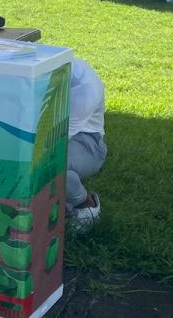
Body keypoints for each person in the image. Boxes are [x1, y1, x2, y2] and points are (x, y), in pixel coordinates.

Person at [66, 58, 106, 233]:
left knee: (49, 166)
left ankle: (85, 206)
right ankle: (62, 205)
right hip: (69, 137)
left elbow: (57, 141)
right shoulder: (66, 67)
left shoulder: (87, 91)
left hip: (89, 144)